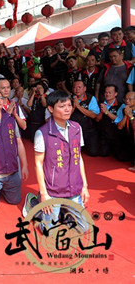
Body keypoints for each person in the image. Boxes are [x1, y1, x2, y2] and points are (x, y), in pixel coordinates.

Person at [33, 90, 89, 230]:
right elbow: (38, 164)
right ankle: (36, 206)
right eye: (62, 106)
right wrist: (45, 194)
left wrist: (84, 186)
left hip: (74, 188)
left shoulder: (77, 128)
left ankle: (64, 210)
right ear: (51, 109)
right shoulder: (42, 133)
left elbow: (79, 158)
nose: (67, 109)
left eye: (69, 105)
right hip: (53, 191)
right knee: (49, 231)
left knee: (83, 228)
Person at [95, 85, 126, 160]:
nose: (107, 94)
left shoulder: (121, 105)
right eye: (106, 92)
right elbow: (97, 119)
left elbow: (119, 121)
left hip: (116, 135)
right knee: (103, 153)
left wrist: (107, 112)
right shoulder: (101, 104)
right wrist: (102, 112)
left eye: (110, 92)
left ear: (116, 94)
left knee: (121, 158)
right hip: (104, 135)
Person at [70, 80, 100, 157]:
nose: (77, 89)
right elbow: (65, 116)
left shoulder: (91, 98)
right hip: (73, 131)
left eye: (79, 87)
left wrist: (78, 106)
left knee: (93, 153)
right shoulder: (69, 99)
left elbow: (94, 115)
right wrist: (74, 106)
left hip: (88, 130)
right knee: (73, 153)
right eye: (75, 87)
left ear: (85, 88)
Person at [114, 92, 135, 170]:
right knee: (121, 157)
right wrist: (126, 115)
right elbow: (119, 127)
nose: (127, 101)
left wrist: (131, 116)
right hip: (127, 137)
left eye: (130, 99)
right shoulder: (123, 108)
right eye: (125, 99)